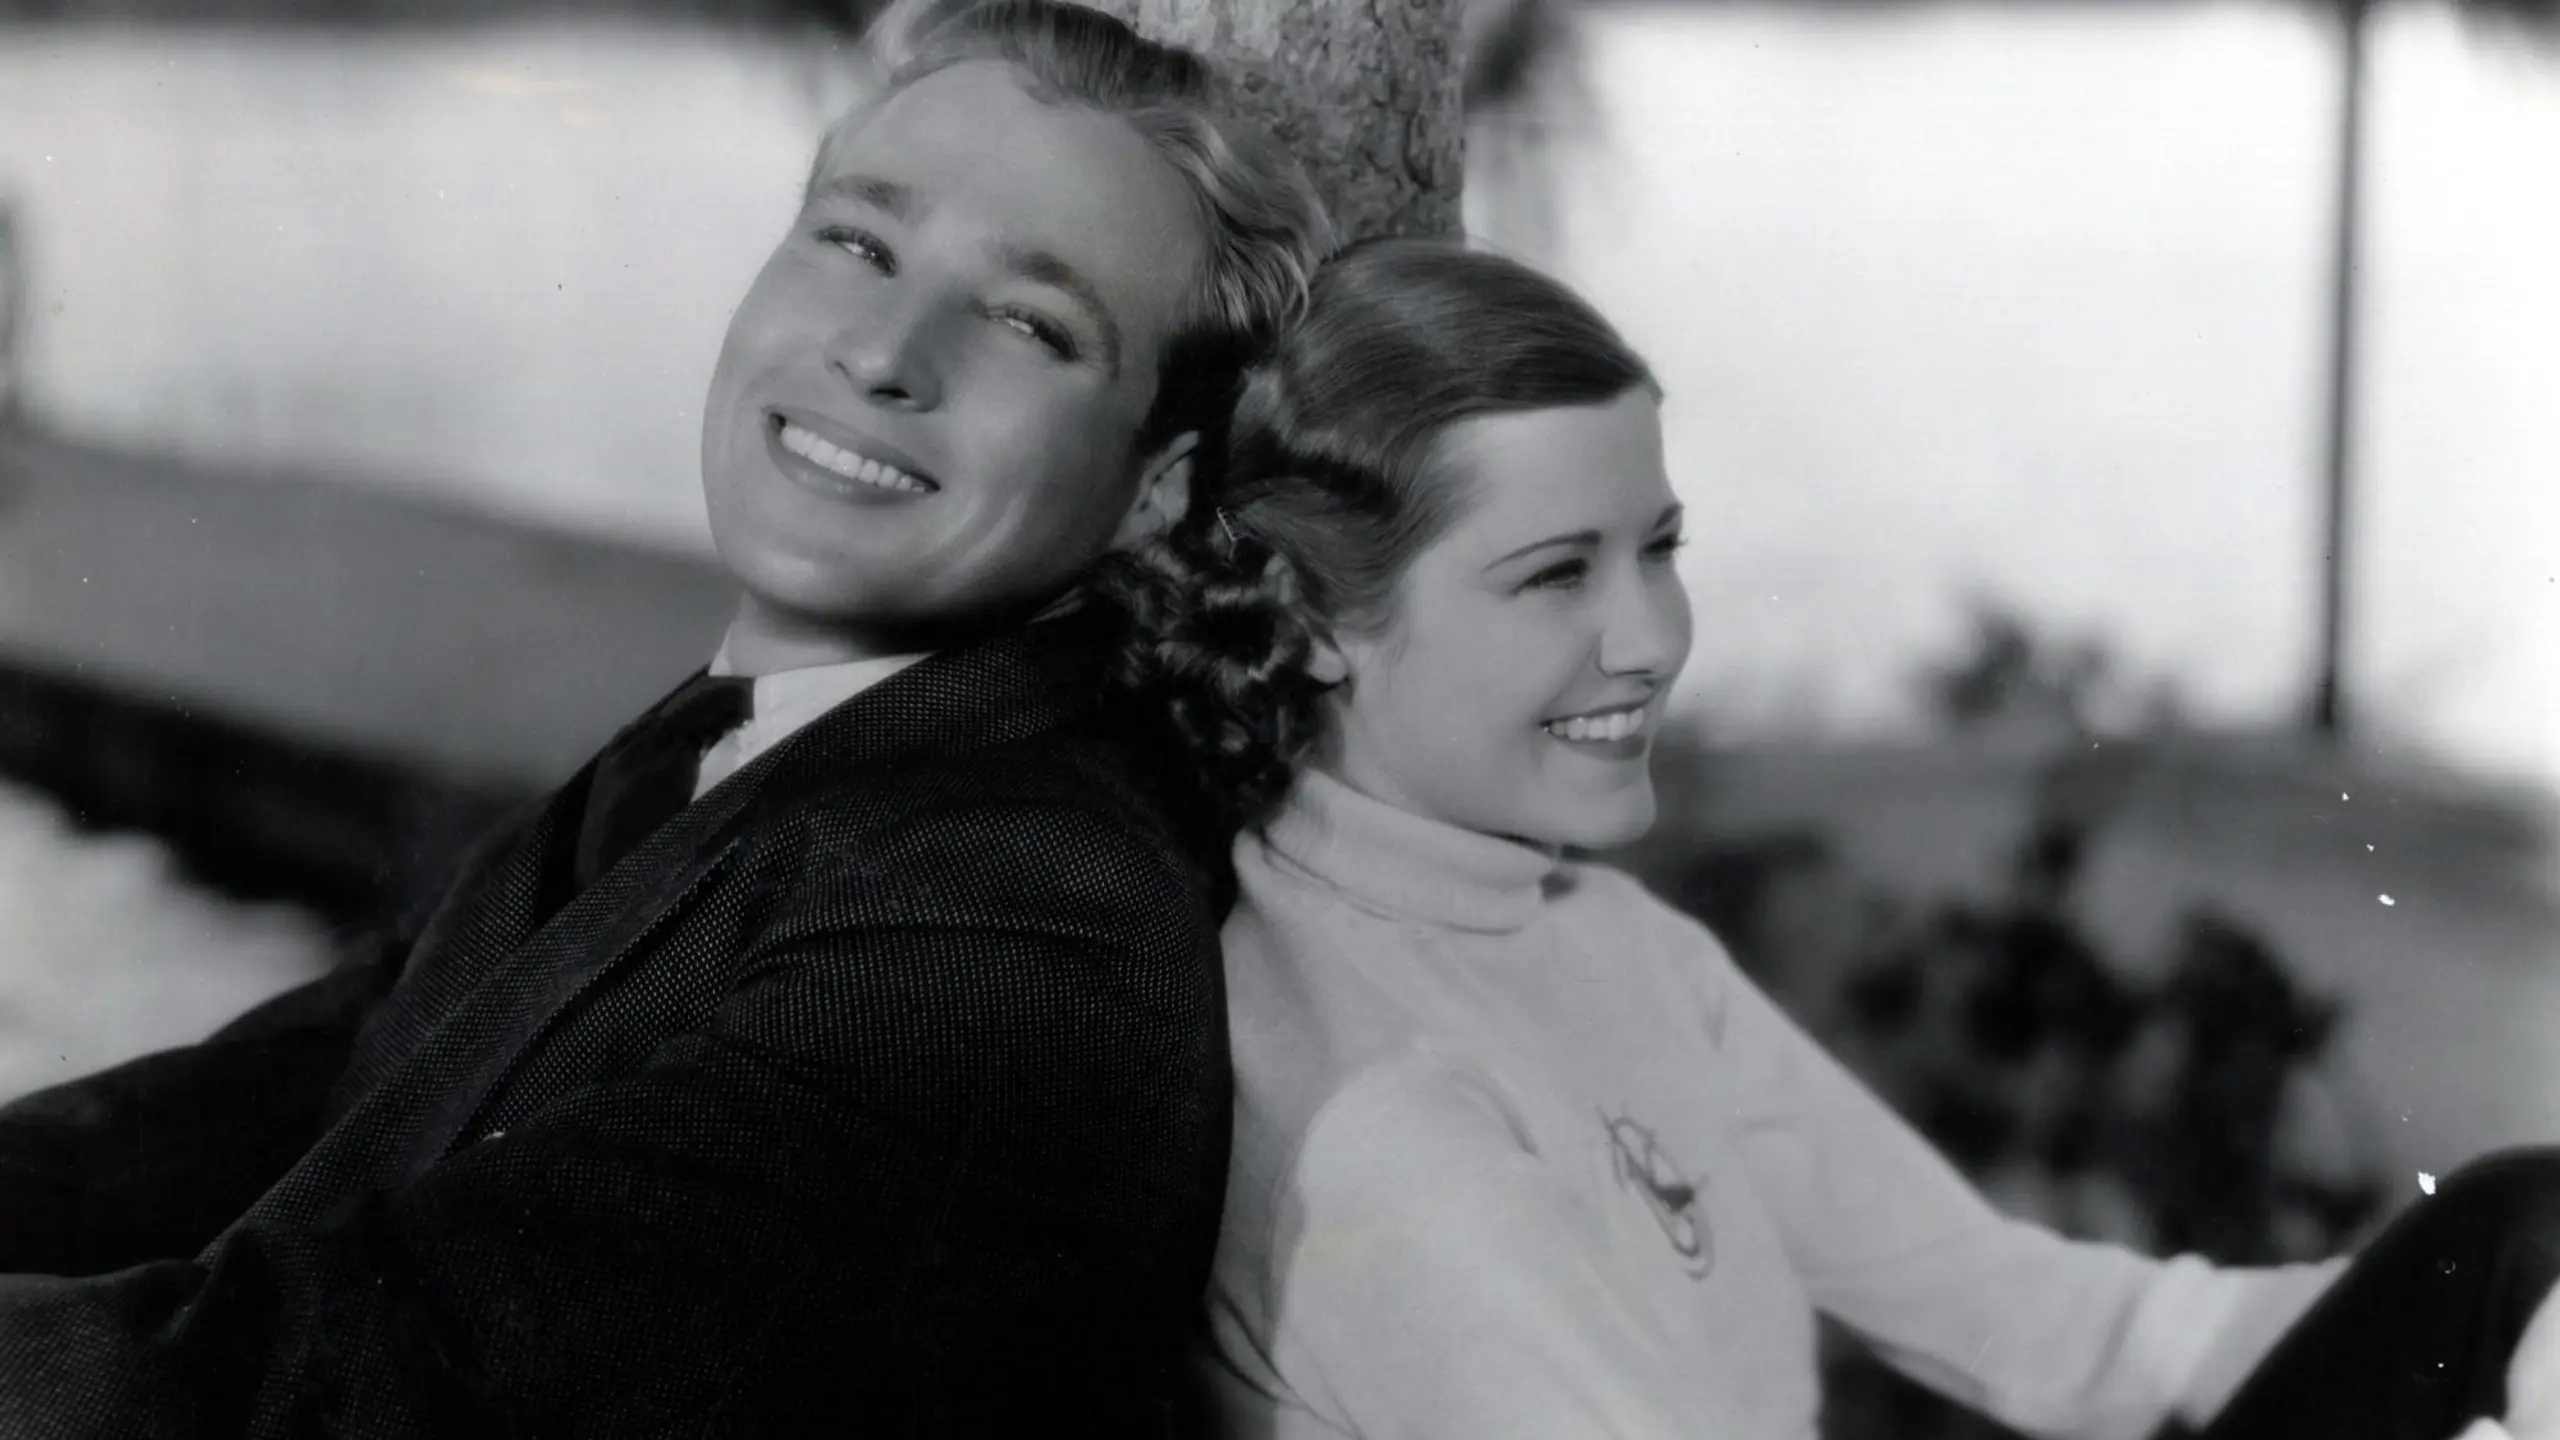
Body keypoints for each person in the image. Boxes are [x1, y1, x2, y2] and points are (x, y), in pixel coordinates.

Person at [0, 2, 1331, 1432]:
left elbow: (375, 1388)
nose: (885, 351)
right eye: (861, 242)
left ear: (1155, 486)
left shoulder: (1016, 928)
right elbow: (294, 1083)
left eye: (1029, 320)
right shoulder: (768, 737)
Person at [1106, 238, 2560, 1440]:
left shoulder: (1597, 943)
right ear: (1308, 623)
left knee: (2528, 1238)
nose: (1654, 638)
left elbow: (2038, 1320)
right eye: (1555, 575)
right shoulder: (1381, 1121)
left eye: (1659, 548)